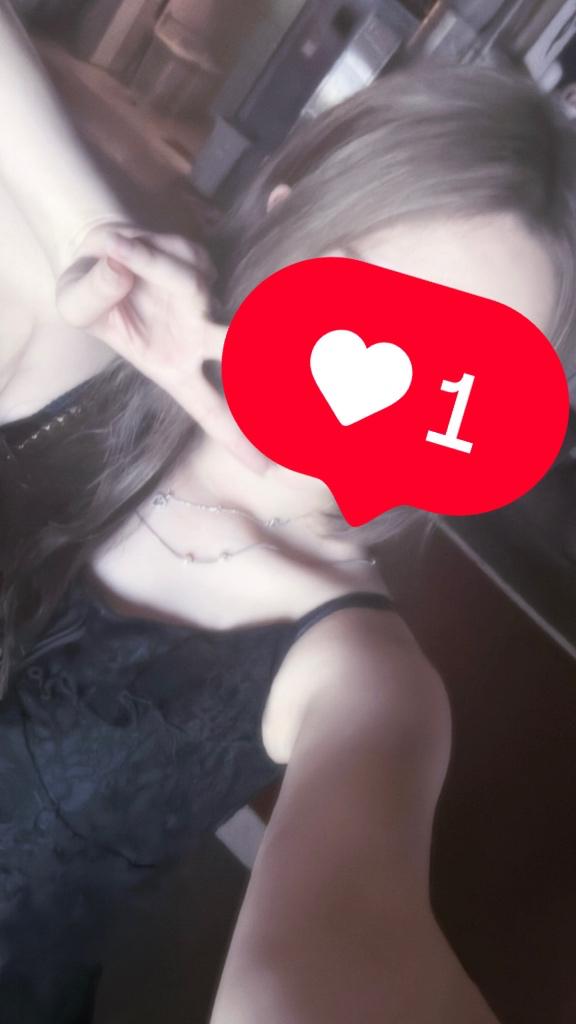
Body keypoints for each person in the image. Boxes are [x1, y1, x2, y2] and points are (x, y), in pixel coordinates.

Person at [0, 3, 575, 1022]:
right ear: (287, 211)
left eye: (455, 386)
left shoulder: (361, 676)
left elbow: (326, 968)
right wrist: (92, 233)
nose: (376, 402)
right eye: (366, 297)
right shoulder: (80, 328)